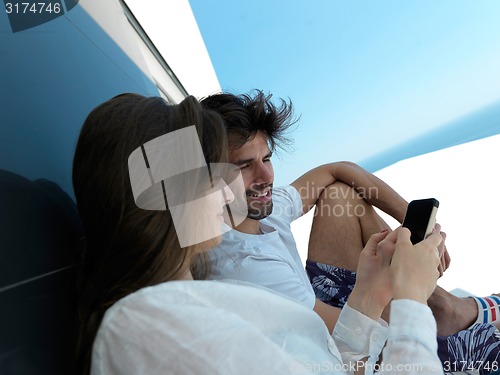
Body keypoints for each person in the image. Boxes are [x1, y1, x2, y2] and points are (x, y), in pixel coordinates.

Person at [73, 93, 445, 375]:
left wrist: (371, 293)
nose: (224, 193)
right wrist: (411, 297)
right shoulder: (150, 326)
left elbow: (324, 364)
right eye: (209, 176)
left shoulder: (183, 305)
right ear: (164, 199)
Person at [201, 90, 500, 374]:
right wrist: (408, 285)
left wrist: (410, 218)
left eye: (266, 158)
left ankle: (446, 309)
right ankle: (447, 330)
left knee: (338, 195)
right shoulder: (248, 269)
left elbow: (337, 169)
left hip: (316, 308)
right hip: (335, 348)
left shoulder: (256, 209)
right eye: (244, 166)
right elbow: (342, 345)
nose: (266, 176)